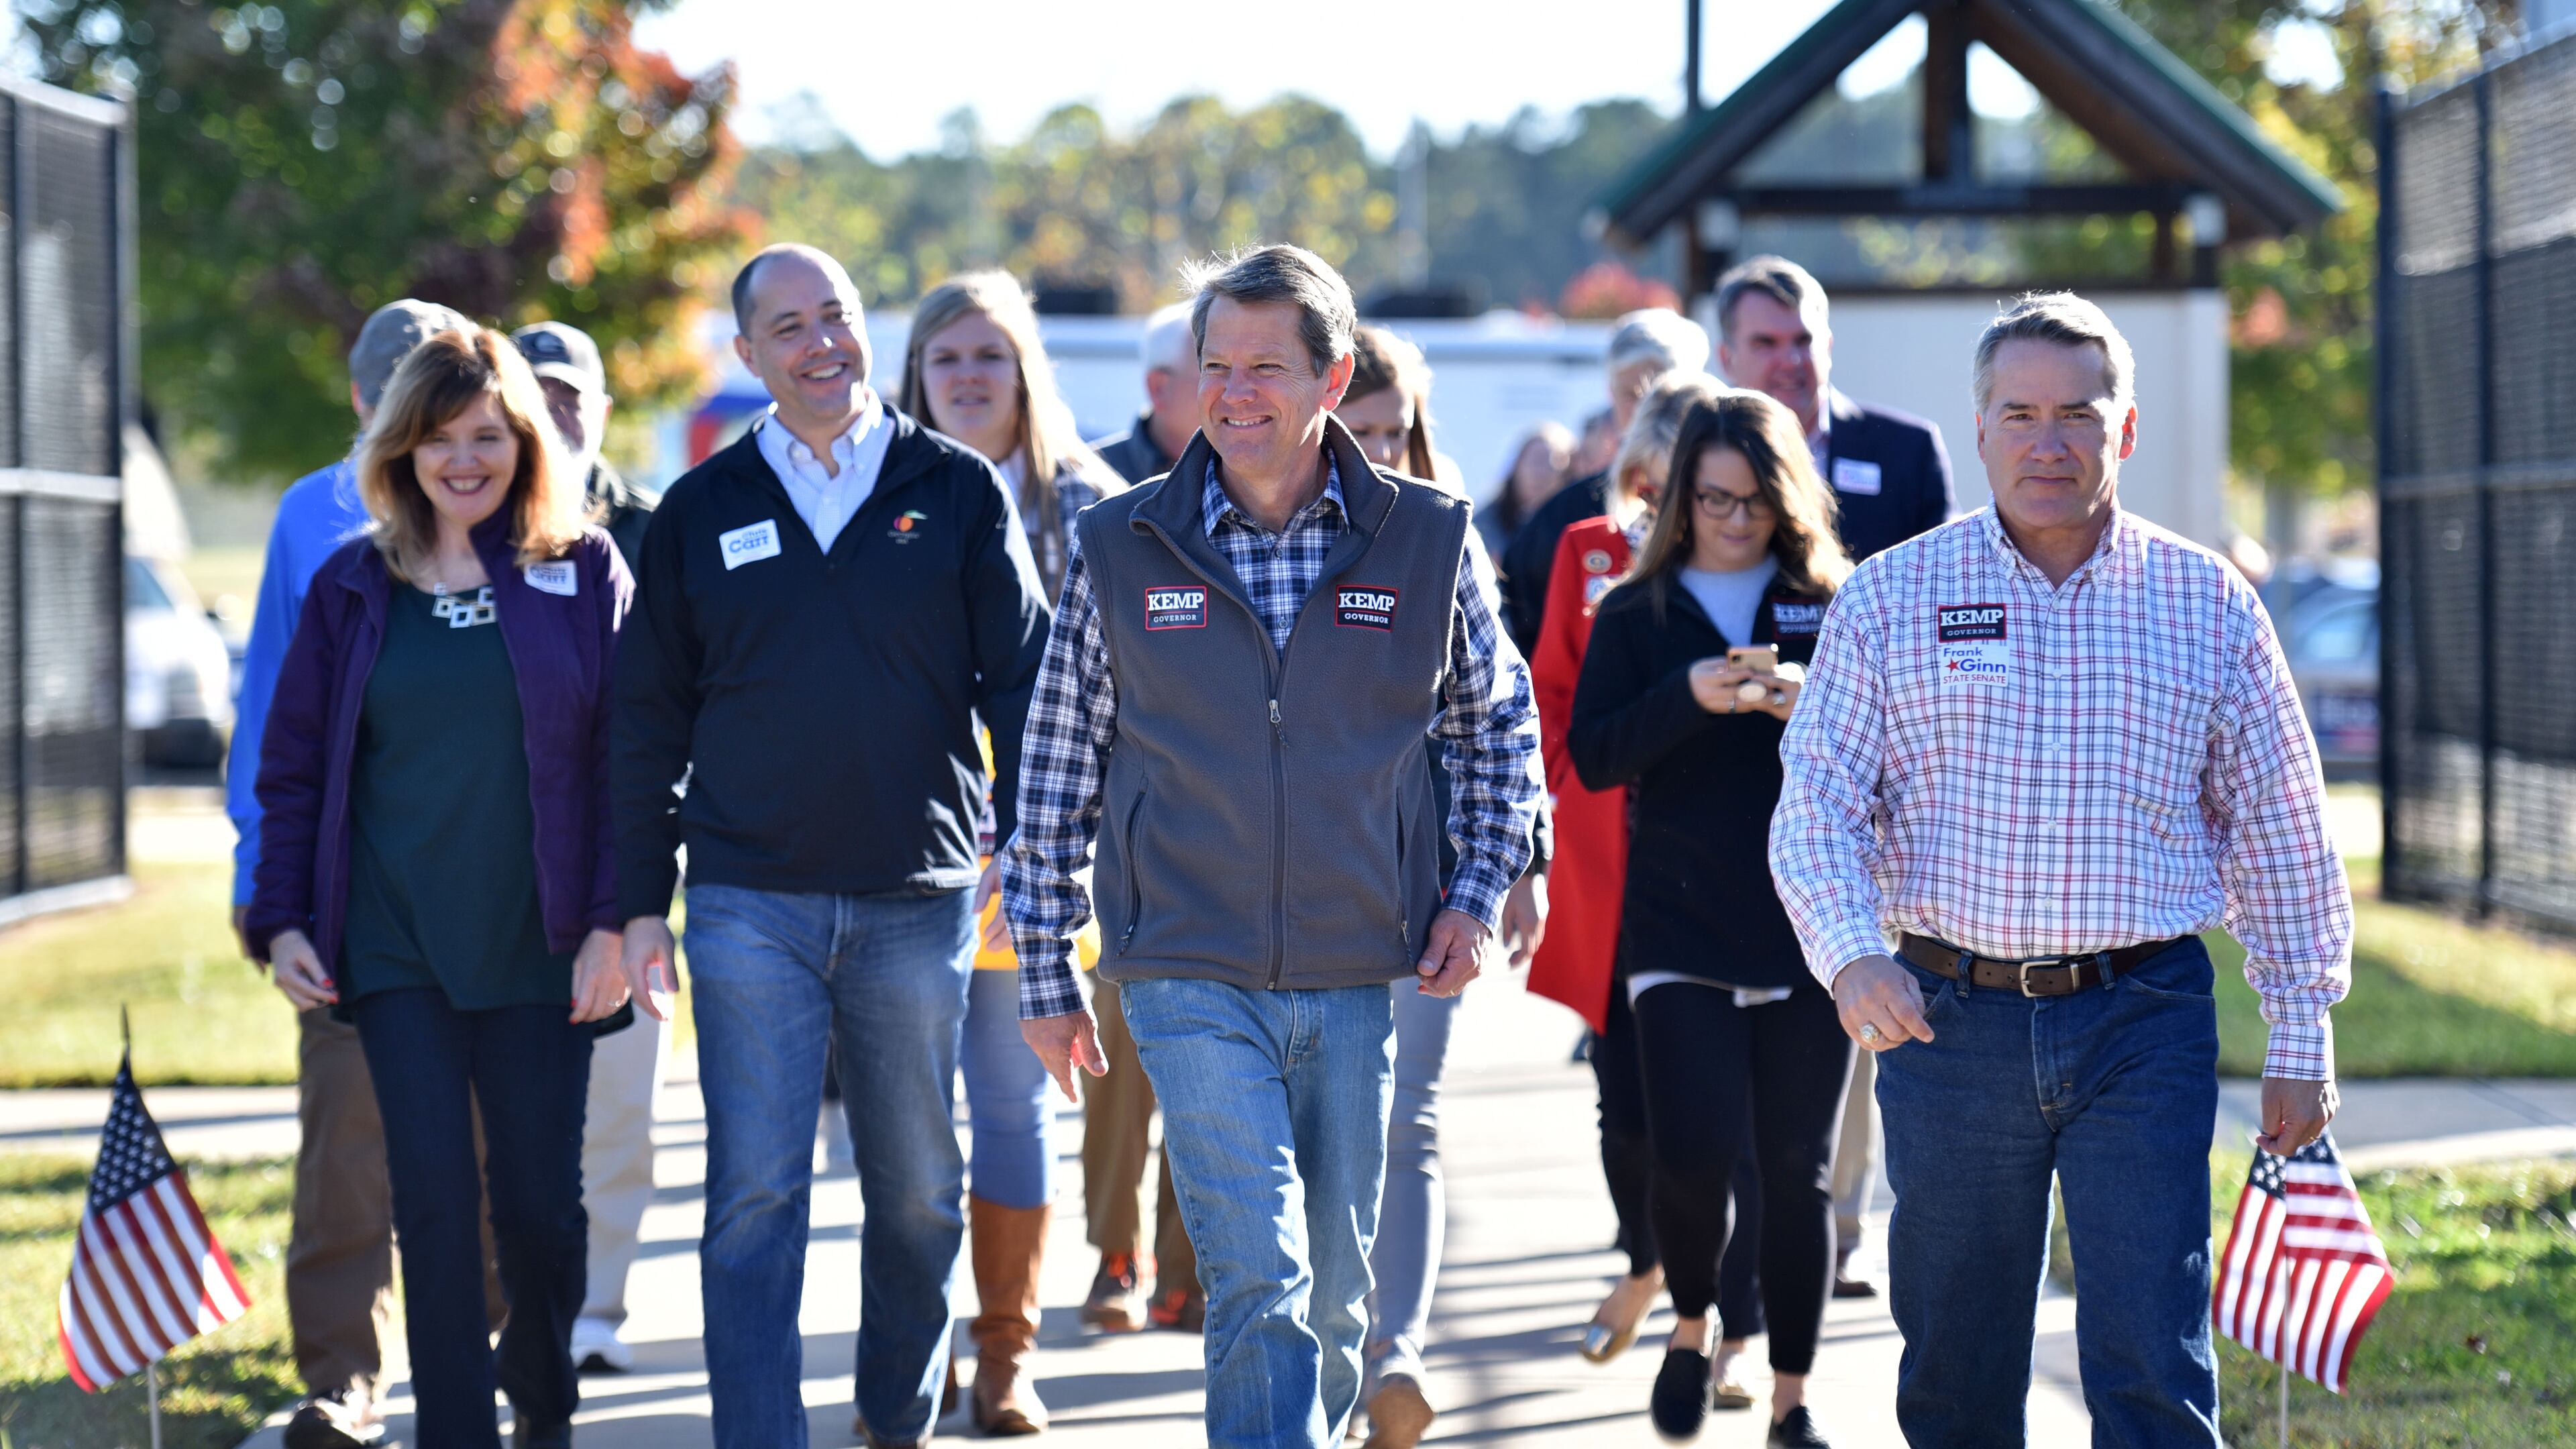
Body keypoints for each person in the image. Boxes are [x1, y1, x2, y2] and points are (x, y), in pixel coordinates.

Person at [1772, 292, 2351, 1447]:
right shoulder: (1890, 599)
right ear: (1978, 426)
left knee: (2150, 1360)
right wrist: (1849, 958)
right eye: (2021, 413)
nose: (2050, 442)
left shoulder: (2206, 605)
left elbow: (2281, 826)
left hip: (2142, 1020)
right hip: (1946, 1025)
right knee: (1957, 1365)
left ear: (2124, 431)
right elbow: (1816, 808)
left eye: (2079, 416)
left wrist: (2302, 1034)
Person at [1002, 244, 1544, 1449]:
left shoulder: (1427, 540)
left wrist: (1474, 888)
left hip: (1362, 964)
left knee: (1340, 1294)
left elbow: (1499, 725)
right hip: (1184, 960)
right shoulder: (1121, 542)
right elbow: (1055, 763)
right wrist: (1047, 970)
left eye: (1265, 368)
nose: (1236, 393)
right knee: (1258, 1271)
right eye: (1216, 367)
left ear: (1333, 377)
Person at [612, 244, 1051, 1449]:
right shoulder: (701, 510)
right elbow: (646, 716)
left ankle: (891, 1413)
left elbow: (1023, 681)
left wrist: (1028, 843)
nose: (822, 344)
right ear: (747, 356)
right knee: (757, 1192)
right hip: (751, 898)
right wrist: (642, 898)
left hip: (922, 896)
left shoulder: (955, 490)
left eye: (840, 317)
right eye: (790, 327)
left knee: (916, 1193)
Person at [246, 327, 635, 1449]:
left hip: (543, 942)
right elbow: (295, 767)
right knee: (431, 1207)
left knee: (539, 1215)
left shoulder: (583, 570)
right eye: (436, 440)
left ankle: (544, 1406)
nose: (464, 461)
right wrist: (279, 923)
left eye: (486, 437)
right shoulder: (352, 585)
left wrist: (614, 920)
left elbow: (627, 757)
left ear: (523, 440)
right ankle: (457, 1431)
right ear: (398, 450)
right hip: (396, 943)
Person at [1570, 388, 1854, 1447]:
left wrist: (1802, 704)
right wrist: (1688, 693)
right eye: (1713, 500)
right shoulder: (1637, 615)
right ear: (1679, 496)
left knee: (1795, 1171)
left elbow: (1896, 758)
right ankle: (1690, 1322)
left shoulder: (1835, 600)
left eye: (1754, 502)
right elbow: (1594, 754)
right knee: (1689, 1158)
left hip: (1809, 927)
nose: (1734, 521)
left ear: (1788, 501)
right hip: (1678, 927)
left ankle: (1792, 1396)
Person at [226, 297, 466, 1449]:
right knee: (346, 1155)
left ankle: (493, 1362)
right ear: (368, 402)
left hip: (490, 895)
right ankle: (343, 1382)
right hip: (344, 890)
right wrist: (265, 895)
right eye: (405, 393)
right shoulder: (308, 518)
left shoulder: (513, 508)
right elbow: (267, 716)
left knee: (487, 1152)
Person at [894, 268, 1128, 1436]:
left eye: (991, 354)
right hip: (904, 842)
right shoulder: (889, 493)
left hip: (1036, 851)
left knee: (1007, 1102)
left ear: (1027, 369)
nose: (970, 377)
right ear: (918, 378)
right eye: (948, 358)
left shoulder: (1091, 501)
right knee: (909, 1111)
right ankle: (921, 1345)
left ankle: (1005, 1355)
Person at [1712, 256, 1957, 1297]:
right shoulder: (1708, 459)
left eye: (1805, 339)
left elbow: (1955, 611)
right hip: (1729, 781)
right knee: (1738, 1020)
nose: (1792, 361)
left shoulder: (1898, 452)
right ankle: (1739, 1232)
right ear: (1725, 355)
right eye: (1767, 343)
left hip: (1883, 784)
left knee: (1854, 990)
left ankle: (1835, 1227)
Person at [1332, 323, 1547, 1449]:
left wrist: (1520, 862)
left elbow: (1503, 710)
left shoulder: (1445, 533)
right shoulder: (1270, 530)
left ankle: (1396, 1356)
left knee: (1405, 1120)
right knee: (1325, 1131)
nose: (1381, 455)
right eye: (1355, 433)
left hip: (1430, 871)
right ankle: (1331, 1353)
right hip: (1294, 882)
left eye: (1396, 433)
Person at [1525, 374, 1735, 1373]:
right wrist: (1572, 786)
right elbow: (1550, 692)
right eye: (1666, 479)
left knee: (1727, 1097)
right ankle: (1646, 1258)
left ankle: (1714, 1306)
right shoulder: (1589, 552)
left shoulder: (1757, 564)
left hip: (1725, 864)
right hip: (1613, 859)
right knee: (1625, 1094)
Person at [504, 319, 667, 1378]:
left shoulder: (658, 528)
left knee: (618, 1106)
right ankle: (510, 1304)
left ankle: (596, 1307)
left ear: (603, 409)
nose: (557, 411)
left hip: (633, 867)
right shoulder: (471, 525)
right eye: (536, 392)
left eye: (573, 395)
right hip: (501, 870)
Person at [1073, 299, 1207, 1335]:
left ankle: (1182, 1266)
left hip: (1226, 837)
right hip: (1126, 836)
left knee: (1202, 1069)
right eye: (1209, 371)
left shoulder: (1265, 488)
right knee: (1119, 1061)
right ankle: (1113, 1251)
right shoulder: (1101, 483)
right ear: (1163, 386)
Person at [1499, 308, 1709, 659]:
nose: (1647, 409)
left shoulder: (1737, 509)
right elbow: (1524, 647)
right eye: (1633, 393)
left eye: (1663, 393)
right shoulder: (1563, 519)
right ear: (1611, 394)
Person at [1091, 301, 1197, 486]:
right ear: (1159, 388)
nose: (1233, 392)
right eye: (1213, 369)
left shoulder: (1249, 475)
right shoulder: (1087, 478)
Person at [1475, 422, 1574, 559]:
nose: (1540, 473)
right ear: (1517, 465)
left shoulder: (1571, 524)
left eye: (1553, 464)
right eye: (1536, 460)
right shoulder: (1484, 524)